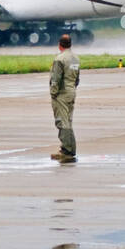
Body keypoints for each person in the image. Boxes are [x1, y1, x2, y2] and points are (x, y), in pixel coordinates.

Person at [49, 33, 80, 162]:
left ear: (59, 45)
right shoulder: (75, 58)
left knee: (62, 122)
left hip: (61, 93)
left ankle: (67, 150)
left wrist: (53, 93)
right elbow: (77, 78)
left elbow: (56, 79)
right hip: (71, 91)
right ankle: (69, 148)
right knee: (68, 120)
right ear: (70, 44)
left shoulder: (59, 59)